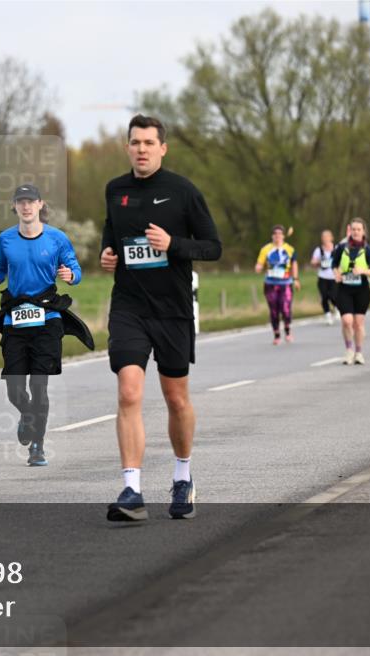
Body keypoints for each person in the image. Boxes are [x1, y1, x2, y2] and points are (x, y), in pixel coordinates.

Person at [100, 114, 222, 522]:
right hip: (130, 306)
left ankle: (183, 474)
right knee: (129, 391)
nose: (141, 149)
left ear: (163, 148)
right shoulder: (115, 190)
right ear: (128, 147)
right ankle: (132, 489)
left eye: (149, 143)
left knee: (176, 398)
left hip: (172, 310)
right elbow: (111, 236)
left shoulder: (183, 191)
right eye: (135, 142)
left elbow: (212, 247)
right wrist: (107, 255)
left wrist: (173, 245)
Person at [0, 184, 92, 467]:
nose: (26, 206)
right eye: (21, 201)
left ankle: (37, 446)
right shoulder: (5, 238)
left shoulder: (57, 238)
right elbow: (0, 266)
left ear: (41, 204)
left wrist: (70, 275)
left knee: (40, 385)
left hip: (47, 318)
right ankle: (27, 415)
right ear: (15, 206)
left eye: (31, 201)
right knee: (14, 386)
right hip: (15, 317)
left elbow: (76, 270)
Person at [333, 218, 370, 365]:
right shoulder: (342, 248)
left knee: (358, 324)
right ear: (350, 231)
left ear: (363, 231)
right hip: (344, 289)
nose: (356, 232)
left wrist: (363, 270)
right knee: (347, 321)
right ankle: (349, 351)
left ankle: (359, 353)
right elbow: (334, 263)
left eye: (358, 229)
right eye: (353, 229)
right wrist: (337, 274)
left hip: (362, 290)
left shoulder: (368, 250)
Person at [255, 225, 300, 343]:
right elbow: (259, 263)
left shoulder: (290, 249)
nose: (277, 236)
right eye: (275, 234)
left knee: (285, 308)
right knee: (274, 309)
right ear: (272, 236)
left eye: (280, 234)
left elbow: (294, 264)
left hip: (286, 283)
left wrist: (296, 279)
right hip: (270, 283)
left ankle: (287, 329)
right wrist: (259, 267)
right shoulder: (266, 249)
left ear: (283, 236)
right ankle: (276, 333)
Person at [310, 229, 338, 325]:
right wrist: (318, 262)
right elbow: (313, 262)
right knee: (324, 296)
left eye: (327, 237)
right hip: (322, 277)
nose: (325, 239)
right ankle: (328, 315)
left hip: (334, 277)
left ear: (331, 238)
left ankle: (336, 307)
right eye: (323, 237)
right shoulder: (318, 250)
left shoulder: (337, 248)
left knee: (333, 296)